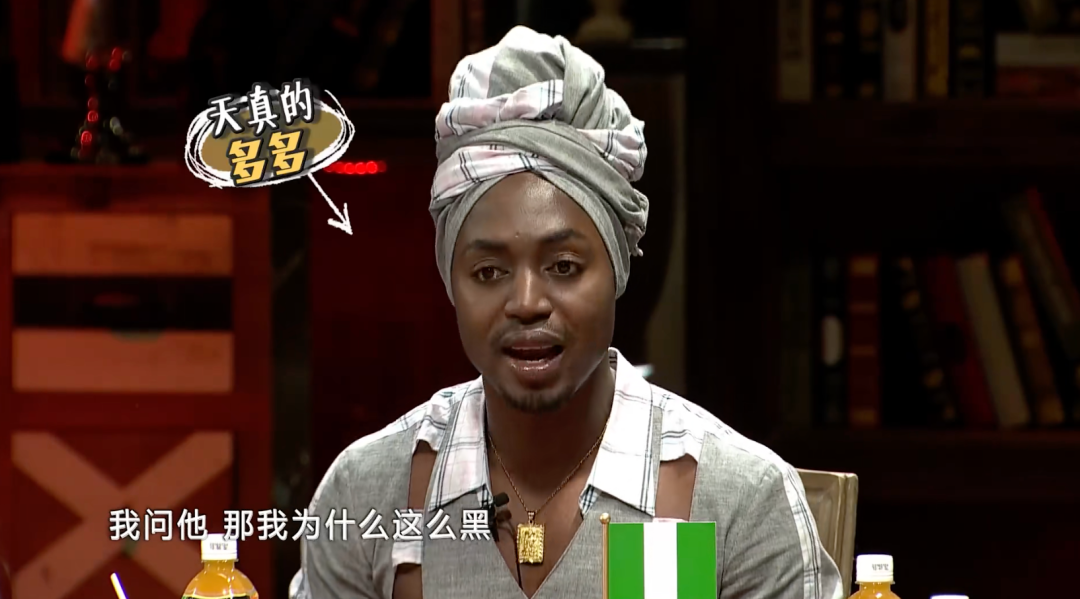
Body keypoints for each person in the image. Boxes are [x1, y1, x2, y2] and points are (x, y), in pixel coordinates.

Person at [295, 26, 845, 599]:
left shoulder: (739, 503)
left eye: (563, 266)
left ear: (618, 270)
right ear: (450, 281)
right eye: (489, 272)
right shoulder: (367, 495)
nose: (527, 302)